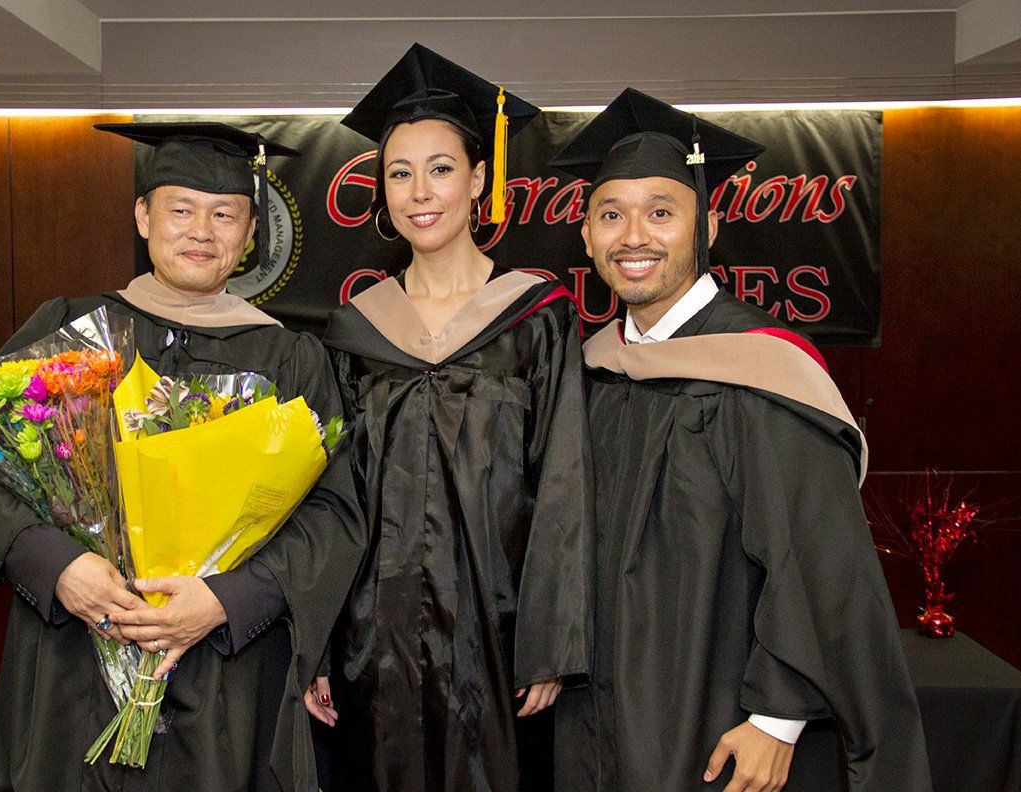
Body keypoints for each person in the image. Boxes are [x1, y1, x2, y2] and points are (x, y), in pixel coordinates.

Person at [0, 122, 365, 792]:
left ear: (248, 237)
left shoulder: (290, 357)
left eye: (224, 215)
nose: (201, 232)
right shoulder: (67, 329)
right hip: (74, 650)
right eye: (180, 209)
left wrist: (224, 599)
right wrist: (60, 565)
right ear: (142, 216)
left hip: (222, 664)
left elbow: (331, 515)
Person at [548, 87, 932, 792]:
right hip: (597, 721)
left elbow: (818, 560)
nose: (633, 236)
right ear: (586, 237)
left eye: (661, 213)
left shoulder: (760, 370)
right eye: (611, 215)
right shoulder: (591, 372)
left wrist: (776, 716)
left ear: (708, 228)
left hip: (717, 723)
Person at [317, 44, 594, 792]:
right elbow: (328, 497)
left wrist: (549, 643)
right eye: (398, 173)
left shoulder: (537, 318)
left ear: (479, 179)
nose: (419, 192)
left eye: (440, 168)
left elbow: (563, 486)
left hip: (497, 640)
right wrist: (314, 642)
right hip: (370, 640)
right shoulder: (352, 330)